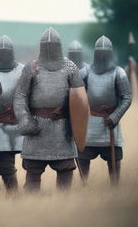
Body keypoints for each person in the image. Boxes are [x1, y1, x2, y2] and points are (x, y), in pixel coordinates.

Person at [14, 27, 87, 192]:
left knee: (65, 172)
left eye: (52, 45)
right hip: (36, 130)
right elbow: (19, 97)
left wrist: (70, 113)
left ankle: (62, 210)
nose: (49, 48)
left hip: (62, 130)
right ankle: (30, 209)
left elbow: (80, 99)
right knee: (32, 174)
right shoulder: (31, 68)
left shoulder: (70, 67)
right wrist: (26, 121)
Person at [78, 35, 131, 185]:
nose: (101, 54)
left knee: (114, 164)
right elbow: (75, 95)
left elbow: (126, 98)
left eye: (104, 51)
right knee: (83, 161)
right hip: (89, 126)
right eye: (99, 51)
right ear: (95, 52)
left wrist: (115, 116)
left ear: (109, 52)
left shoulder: (118, 72)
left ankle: (114, 192)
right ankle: (82, 191)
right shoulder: (86, 72)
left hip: (110, 125)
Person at [0, 35, 24, 192]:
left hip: (19, 123)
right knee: (2, 161)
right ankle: (12, 192)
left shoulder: (23, 70)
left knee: (29, 163)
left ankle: (20, 194)